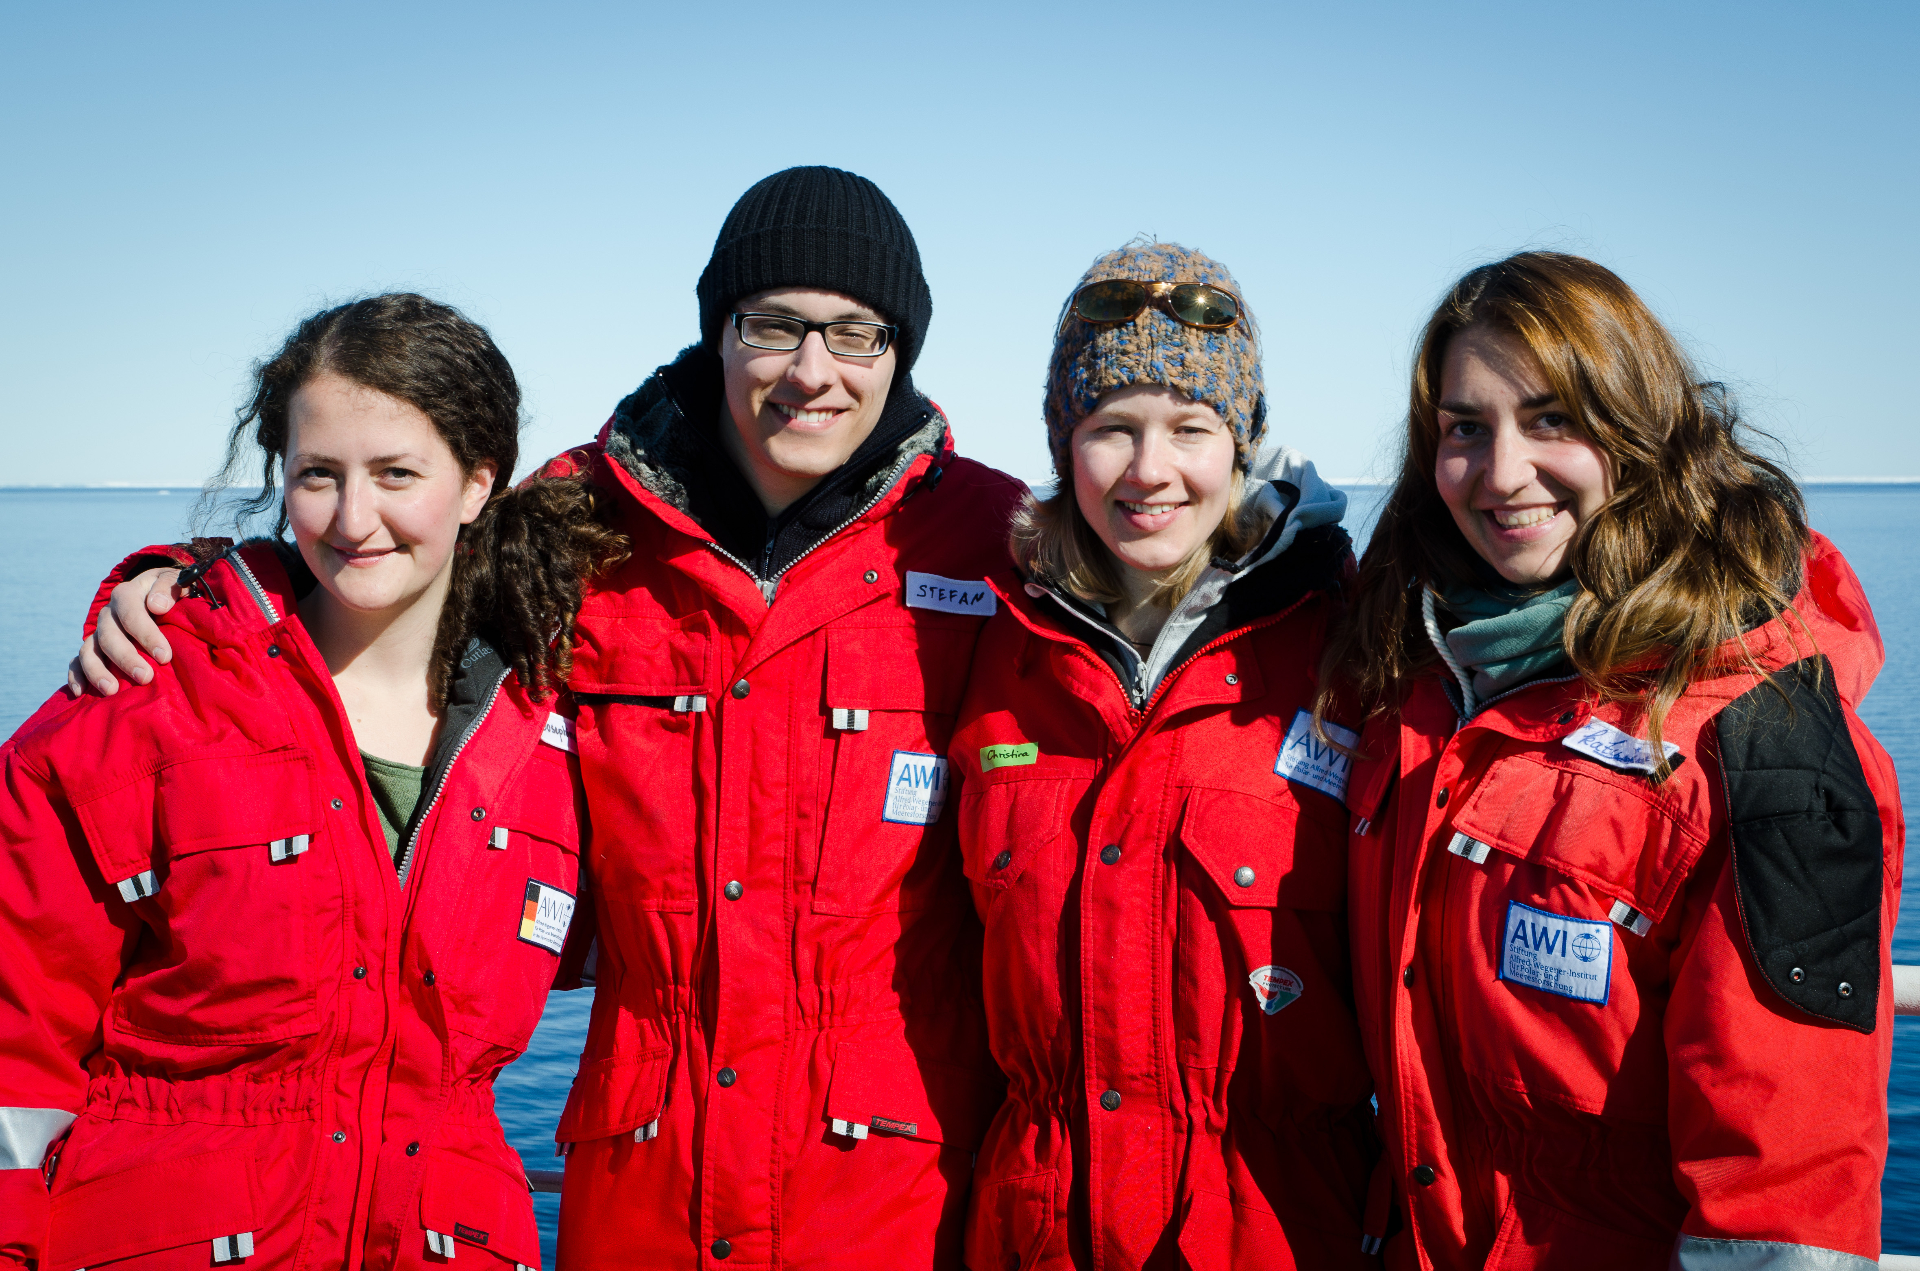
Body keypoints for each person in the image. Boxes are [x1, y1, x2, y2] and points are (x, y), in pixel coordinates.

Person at [80, 168, 1027, 1269]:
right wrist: (177, 586)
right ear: (719, 330)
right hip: (644, 1183)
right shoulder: (579, 526)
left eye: (855, 334)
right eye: (772, 326)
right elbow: (378, 557)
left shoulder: (998, 546)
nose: (810, 372)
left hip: (895, 1189)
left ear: (899, 349)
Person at [1, 294, 622, 1270]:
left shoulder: (550, 741)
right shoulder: (150, 693)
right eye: (318, 476)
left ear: (475, 484)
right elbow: (16, 1019)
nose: (353, 518)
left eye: (396, 474)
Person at [1323, 252, 1903, 1268]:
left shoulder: (1766, 741)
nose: (1502, 473)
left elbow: (1783, 1184)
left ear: (1640, 433)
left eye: (1553, 420)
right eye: (1466, 427)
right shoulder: (1419, 682)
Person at [950, 241, 1381, 1270]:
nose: (1150, 472)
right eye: (1111, 429)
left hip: (1278, 1231)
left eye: (1190, 427)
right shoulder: (994, 648)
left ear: (1241, 442)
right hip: (1039, 1233)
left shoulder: (1351, 649)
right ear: (1064, 444)